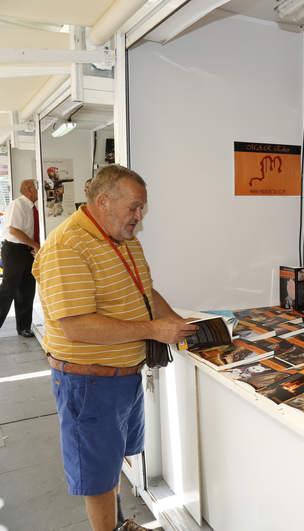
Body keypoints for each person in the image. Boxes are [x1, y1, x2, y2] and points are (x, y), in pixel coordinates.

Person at [32, 165, 199, 531]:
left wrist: (178, 326)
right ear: (104, 201)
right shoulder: (68, 246)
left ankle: (120, 524)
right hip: (88, 383)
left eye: (142, 209)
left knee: (109, 463)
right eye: (135, 208)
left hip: (122, 378)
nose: (139, 218)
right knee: (96, 474)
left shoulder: (122, 240)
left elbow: (145, 292)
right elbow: (76, 326)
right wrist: (154, 328)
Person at [0, 179, 40, 337]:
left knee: (27, 289)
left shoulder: (33, 207)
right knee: (8, 289)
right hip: (14, 250)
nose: (39, 192)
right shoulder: (18, 204)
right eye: (36, 188)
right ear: (29, 190)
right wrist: (34, 244)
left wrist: (32, 246)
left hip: (26, 250)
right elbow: (14, 230)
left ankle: (23, 327)